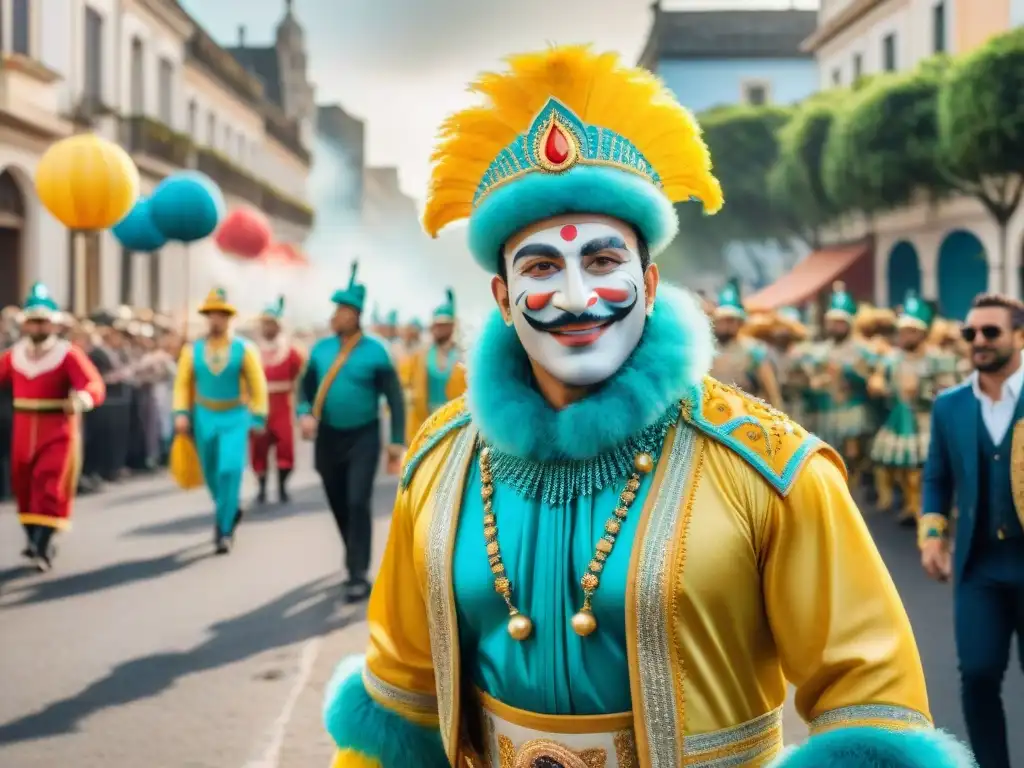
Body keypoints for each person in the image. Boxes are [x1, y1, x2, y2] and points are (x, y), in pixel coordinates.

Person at [323, 46, 969, 768]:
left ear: (651, 284)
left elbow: (871, 706)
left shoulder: (771, 467)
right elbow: (400, 696)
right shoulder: (440, 464)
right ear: (503, 298)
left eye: (603, 262)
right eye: (541, 267)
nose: (576, 298)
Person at [922, 292, 1024, 768]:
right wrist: (933, 535)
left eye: (990, 331)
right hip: (979, 566)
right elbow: (937, 477)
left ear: (1019, 335)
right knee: (978, 674)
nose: (978, 340)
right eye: (970, 332)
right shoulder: (950, 406)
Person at [298, 262, 406, 603]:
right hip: (328, 438)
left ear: (355, 315)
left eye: (341, 310)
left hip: (364, 436)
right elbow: (304, 389)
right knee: (338, 499)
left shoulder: (377, 351)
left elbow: (395, 398)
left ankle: (357, 573)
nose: (335, 315)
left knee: (358, 500)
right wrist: (304, 413)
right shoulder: (320, 350)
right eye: (335, 309)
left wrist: (396, 443)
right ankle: (353, 550)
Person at [0, 282, 105, 571]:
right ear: (25, 324)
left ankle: (42, 544)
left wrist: (82, 398)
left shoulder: (67, 354)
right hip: (23, 429)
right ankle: (33, 537)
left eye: (43, 321)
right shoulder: (14, 355)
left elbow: (93, 383)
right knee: (23, 484)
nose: (37, 327)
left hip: (57, 428)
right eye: (33, 321)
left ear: (53, 324)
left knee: (49, 482)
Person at [172, 288, 269, 554]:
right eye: (212, 315)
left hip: (235, 416)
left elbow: (258, 383)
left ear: (228, 318)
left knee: (230, 469)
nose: (216, 320)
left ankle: (224, 529)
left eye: (221, 315)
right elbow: (181, 384)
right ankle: (229, 508)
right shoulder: (192, 351)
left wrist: (259, 414)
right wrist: (180, 413)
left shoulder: (244, 349)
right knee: (212, 473)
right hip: (205, 416)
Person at [869, 292, 957, 524]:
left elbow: (949, 391)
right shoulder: (892, 359)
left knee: (926, 470)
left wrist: (922, 391)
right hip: (900, 419)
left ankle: (929, 510)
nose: (904, 336)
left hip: (928, 421)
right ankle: (911, 506)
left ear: (923, 333)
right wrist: (878, 385)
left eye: (911, 331)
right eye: (902, 331)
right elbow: (879, 381)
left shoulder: (938, 359)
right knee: (905, 469)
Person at [251, 296, 305, 504]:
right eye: (265, 324)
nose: (268, 328)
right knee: (258, 447)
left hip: (283, 404)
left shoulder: (291, 352)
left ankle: (282, 487)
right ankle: (262, 488)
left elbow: (301, 378)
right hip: (260, 406)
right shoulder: (253, 351)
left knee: (285, 446)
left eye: (272, 324)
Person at [404, 288, 468, 442]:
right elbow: (406, 383)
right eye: (436, 325)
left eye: (443, 325)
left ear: (452, 326)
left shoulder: (462, 357)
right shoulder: (420, 355)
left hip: (454, 425)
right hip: (424, 426)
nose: (438, 329)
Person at [708, 279, 782, 407]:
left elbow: (771, 391)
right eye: (722, 320)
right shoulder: (706, 349)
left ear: (739, 323)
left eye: (730, 321)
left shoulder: (753, 351)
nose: (725, 325)